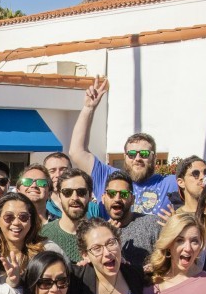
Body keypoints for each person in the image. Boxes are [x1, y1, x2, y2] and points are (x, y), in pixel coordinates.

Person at [66, 77, 178, 217]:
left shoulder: (170, 183)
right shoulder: (107, 177)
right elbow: (77, 151)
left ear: (154, 157)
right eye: (132, 154)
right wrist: (88, 108)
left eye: (144, 154)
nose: (137, 158)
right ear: (125, 156)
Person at [0, 191, 51, 284]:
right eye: (9, 217)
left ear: (31, 221)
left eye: (23, 217)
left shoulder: (48, 250)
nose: (16, 223)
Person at [40, 168, 92, 263]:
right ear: (59, 196)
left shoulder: (101, 235)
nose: (74, 198)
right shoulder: (42, 235)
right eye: (67, 192)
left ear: (90, 195)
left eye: (81, 192)